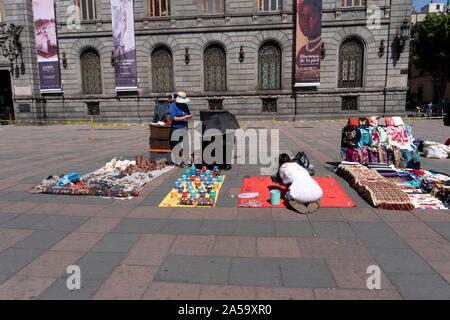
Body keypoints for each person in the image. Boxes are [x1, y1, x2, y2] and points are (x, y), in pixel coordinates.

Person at [169, 91, 192, 166]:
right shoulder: (173, 106)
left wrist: (189, 116)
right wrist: (184, 117)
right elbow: (173, 118)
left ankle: (187, 160)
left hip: (184, 127)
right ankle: (178, 161)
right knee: (178, 145)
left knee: (186, 144)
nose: (182, 103)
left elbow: (188, 113)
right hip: (176, 128)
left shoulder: (185, 105)